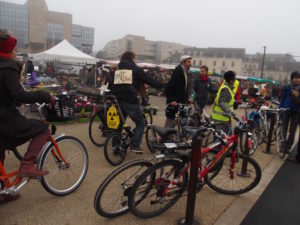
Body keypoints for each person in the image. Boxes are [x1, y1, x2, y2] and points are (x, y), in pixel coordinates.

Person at [0, 30, 55, 204]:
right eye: (15, 50)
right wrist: (43, 95)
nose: (16, 53)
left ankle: (3, 191)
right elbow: (20, 94)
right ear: (7, 51)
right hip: (3, 117)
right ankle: (28, 164)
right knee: (42, 128)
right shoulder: (7, 67)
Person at [111, 51, 164, 153]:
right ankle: (135, 145)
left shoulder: (118, 68)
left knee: (120, 123)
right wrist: (161, 86)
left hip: (119, 99)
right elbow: (148, 79)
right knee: (141, 123)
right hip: (130, 98)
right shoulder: (134, 68)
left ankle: (116, 146)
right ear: (131, 58)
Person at [164, 55, 192, 128]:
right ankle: (163, 138)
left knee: (183, 120)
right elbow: (169, 87)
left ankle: (176, 135)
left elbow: (183, 88)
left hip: (181, 101)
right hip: (174, 102)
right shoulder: (178, 71)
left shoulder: (186, 72)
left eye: (190, 62)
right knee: (169, 121)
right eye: (188, 62)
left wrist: (187, 97)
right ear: (183, 62)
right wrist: (171, 100)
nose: (190, 63)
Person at [279, 71, 300, 152]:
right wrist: (280, 108)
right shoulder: (287, 87)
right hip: (286, 109)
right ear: (292, 79)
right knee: (284, 128)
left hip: (296, 111)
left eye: (298, 78)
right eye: (295, 78)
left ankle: (288, 146)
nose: (297, 80)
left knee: (292, 130)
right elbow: (282, 98)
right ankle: (282, 145)